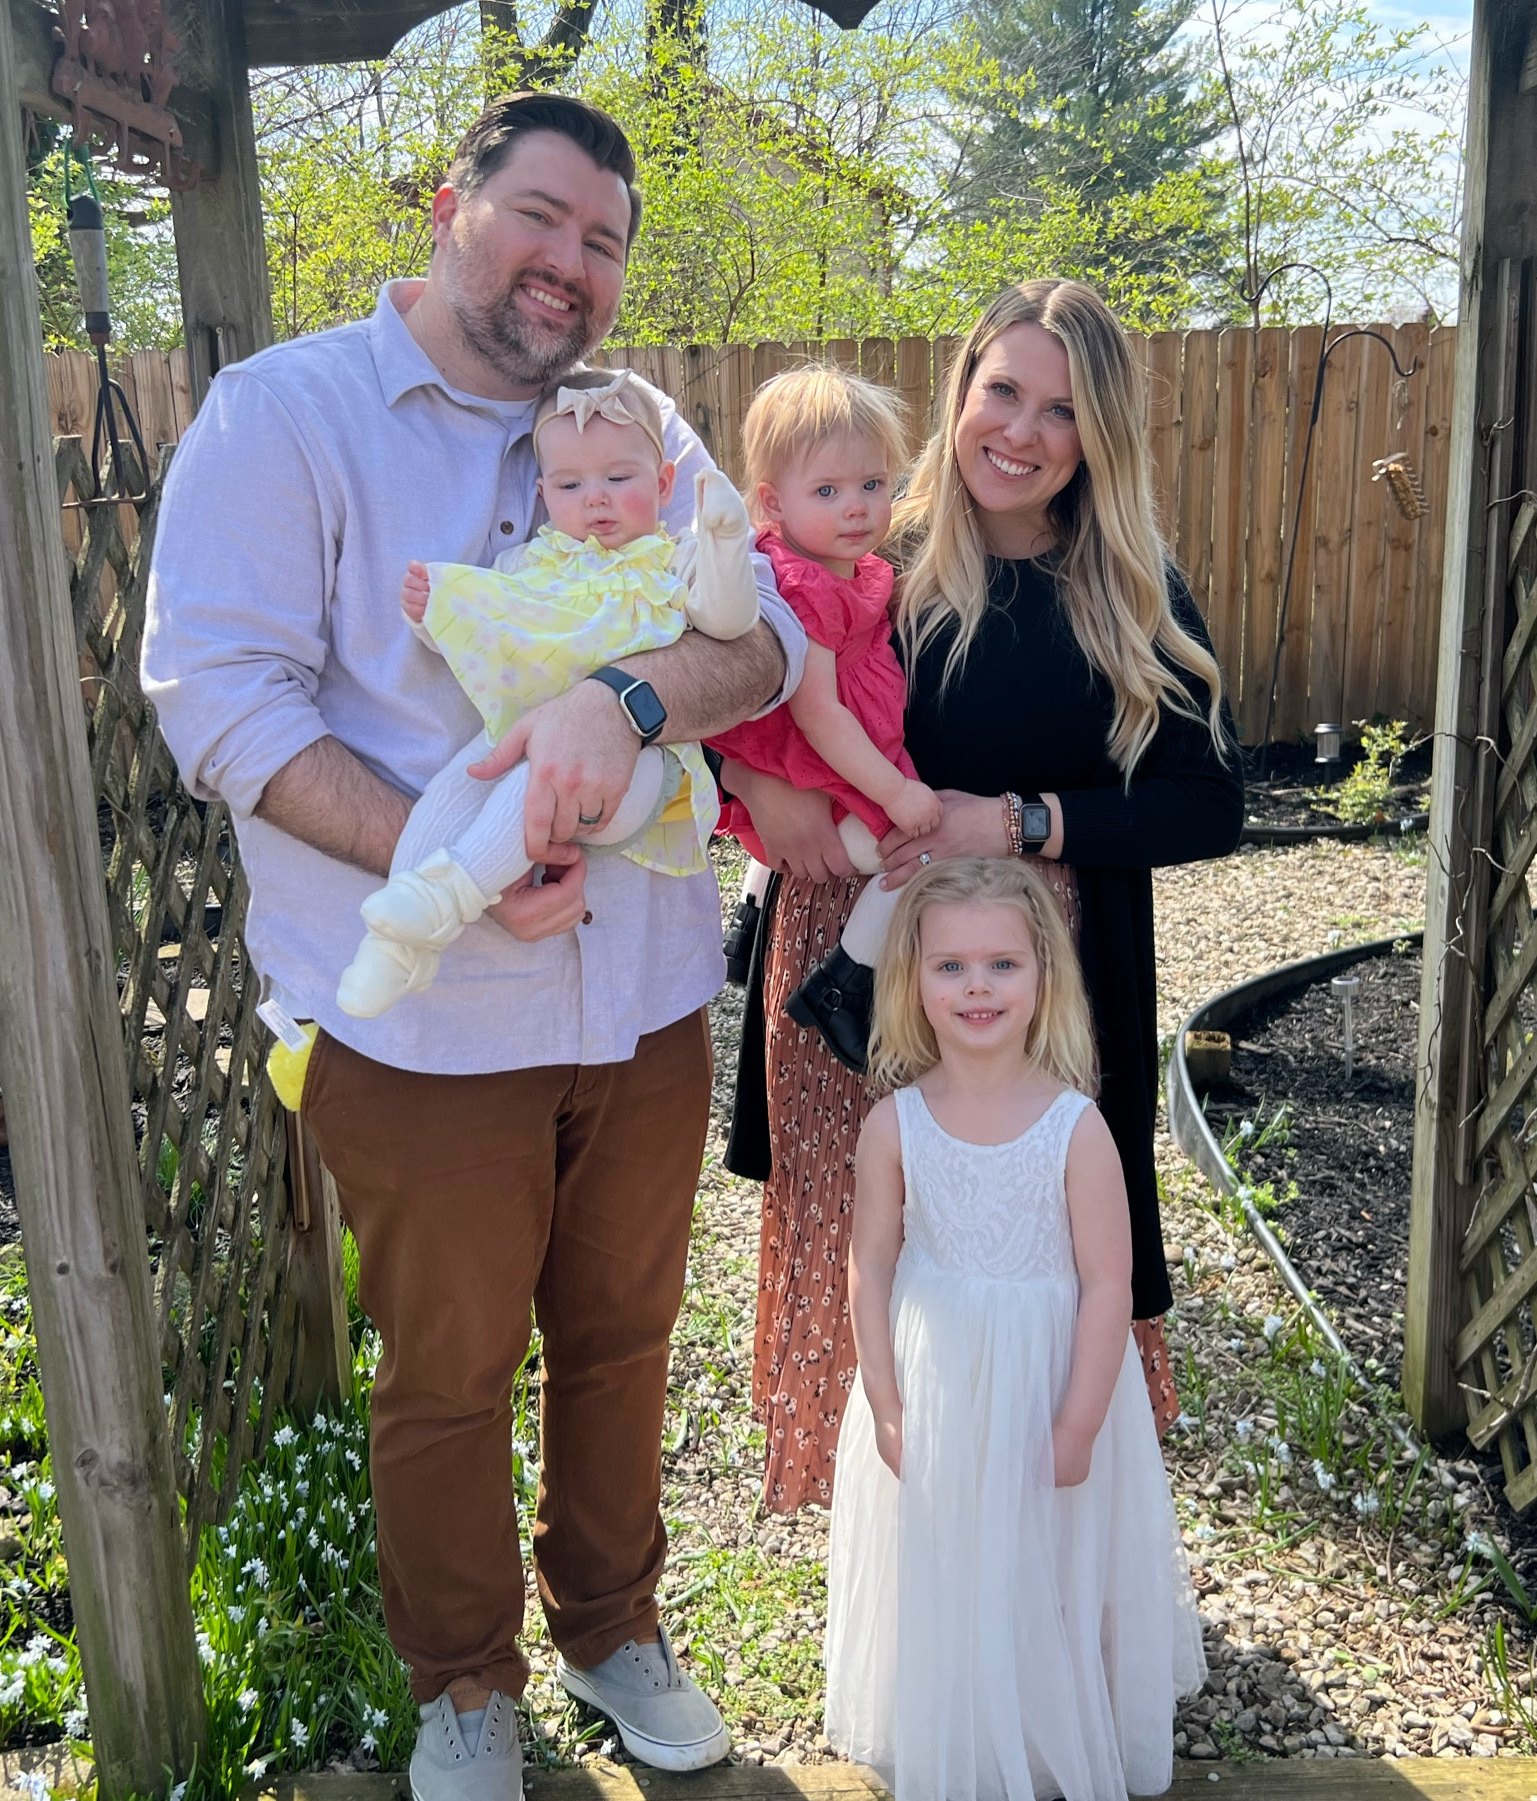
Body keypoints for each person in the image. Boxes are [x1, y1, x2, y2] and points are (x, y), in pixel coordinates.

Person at [143, 91, 808, 1801]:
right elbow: (215, 695)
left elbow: (774, 630)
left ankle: (612, 1626)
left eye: (604, 241)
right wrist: (439, 852)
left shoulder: (642, 422)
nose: (570, 265)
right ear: (451, 205)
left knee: (622, 1334)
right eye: (540, 217)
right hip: (430, 1022)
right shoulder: (287, 417)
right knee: (445, 1372)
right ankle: (463, 1683)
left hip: (648, 996)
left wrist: (632, 695)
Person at [724, 277, 1244, 1515]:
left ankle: (1036, 1517)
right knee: (869, 1231)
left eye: (1059, 411)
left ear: (1096, 438)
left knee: (1016, 1250)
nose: (1018, 429)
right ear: (960, 390)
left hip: (1035, 976)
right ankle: (892, 1533)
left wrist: (1022, 821)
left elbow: (1207, 804)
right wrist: (746, 777)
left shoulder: (1126, 587)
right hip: (854, 954)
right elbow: (722, 680)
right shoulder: (865, 556)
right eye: (999, 389)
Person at [824, 857, 1206, 1801]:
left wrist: (1078, 1419)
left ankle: (1044, 1739)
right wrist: (883, 1397)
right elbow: (868, 1262)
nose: (978, 988)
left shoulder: (1076, 1130)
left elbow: (1107, 1287)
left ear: (1045, 977)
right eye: (950, 967)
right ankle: (955, 1728)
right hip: (940, 1385)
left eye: (1002, 963)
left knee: (1046, 1558)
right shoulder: (890, 1124)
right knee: (953, 1555)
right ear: (911, 981)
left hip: (1045, 1379)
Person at [338, 368, 759, 1017]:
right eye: (570, 484)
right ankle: (395, 947)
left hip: (643, 766)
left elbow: (732, 622)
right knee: (461, 781)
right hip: (524, 730)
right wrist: (432, 615)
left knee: (533, 771)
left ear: (663, 483)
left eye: (618, 479)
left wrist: (725, 541)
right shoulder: (533, 562)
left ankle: (444, 899)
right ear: (543, 492)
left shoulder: (670, 560)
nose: (595, 499)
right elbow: (483, 623)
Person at [710, 367, 939, 1046]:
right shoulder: (802, 586)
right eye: (828, 491)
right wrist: (896, 791)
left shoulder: (850, 568)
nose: (857, 508)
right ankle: (846, 981)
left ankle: (749, 916)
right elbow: (818, 714)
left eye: (873, 485)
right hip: (826, 764)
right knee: (919, 854)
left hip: (824, 765)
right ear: (772, 503)